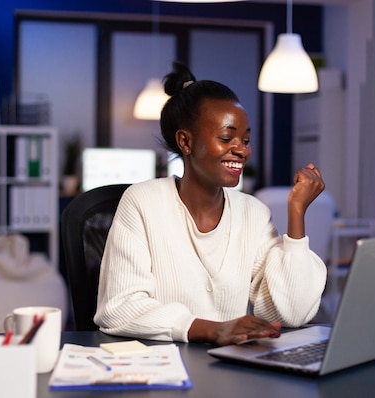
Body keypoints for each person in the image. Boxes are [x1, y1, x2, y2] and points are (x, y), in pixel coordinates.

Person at [94, 62, 327, 346]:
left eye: (246, 140)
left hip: (230, 372)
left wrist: (297, 214)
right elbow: (119, 308)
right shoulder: (143, 202)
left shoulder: (252, 213)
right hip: (164, 373)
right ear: (186, 142)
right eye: (226, 138)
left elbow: (293, 312)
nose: (241, 150)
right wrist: (209, 329)